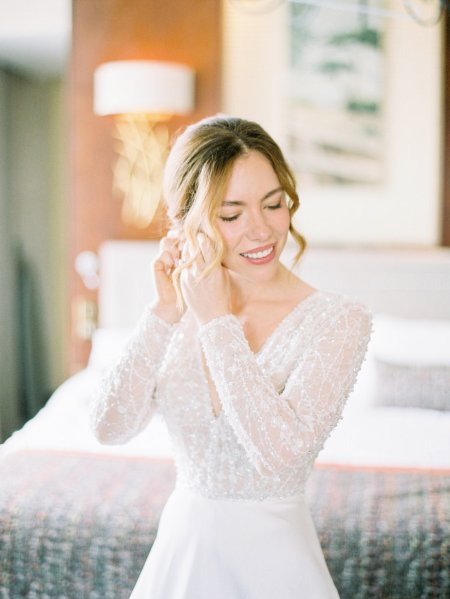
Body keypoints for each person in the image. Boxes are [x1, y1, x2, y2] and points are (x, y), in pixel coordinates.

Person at [90, 115, 372, 599]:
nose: (261, 231)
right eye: (231, 214)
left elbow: (278, 453)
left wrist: (216, 321)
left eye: (273, 204)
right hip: (182, 558)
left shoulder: (338, 320)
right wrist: (163, 312)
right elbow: (108, 427)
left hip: (278, 567)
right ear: (188, 221)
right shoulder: (175, 311)